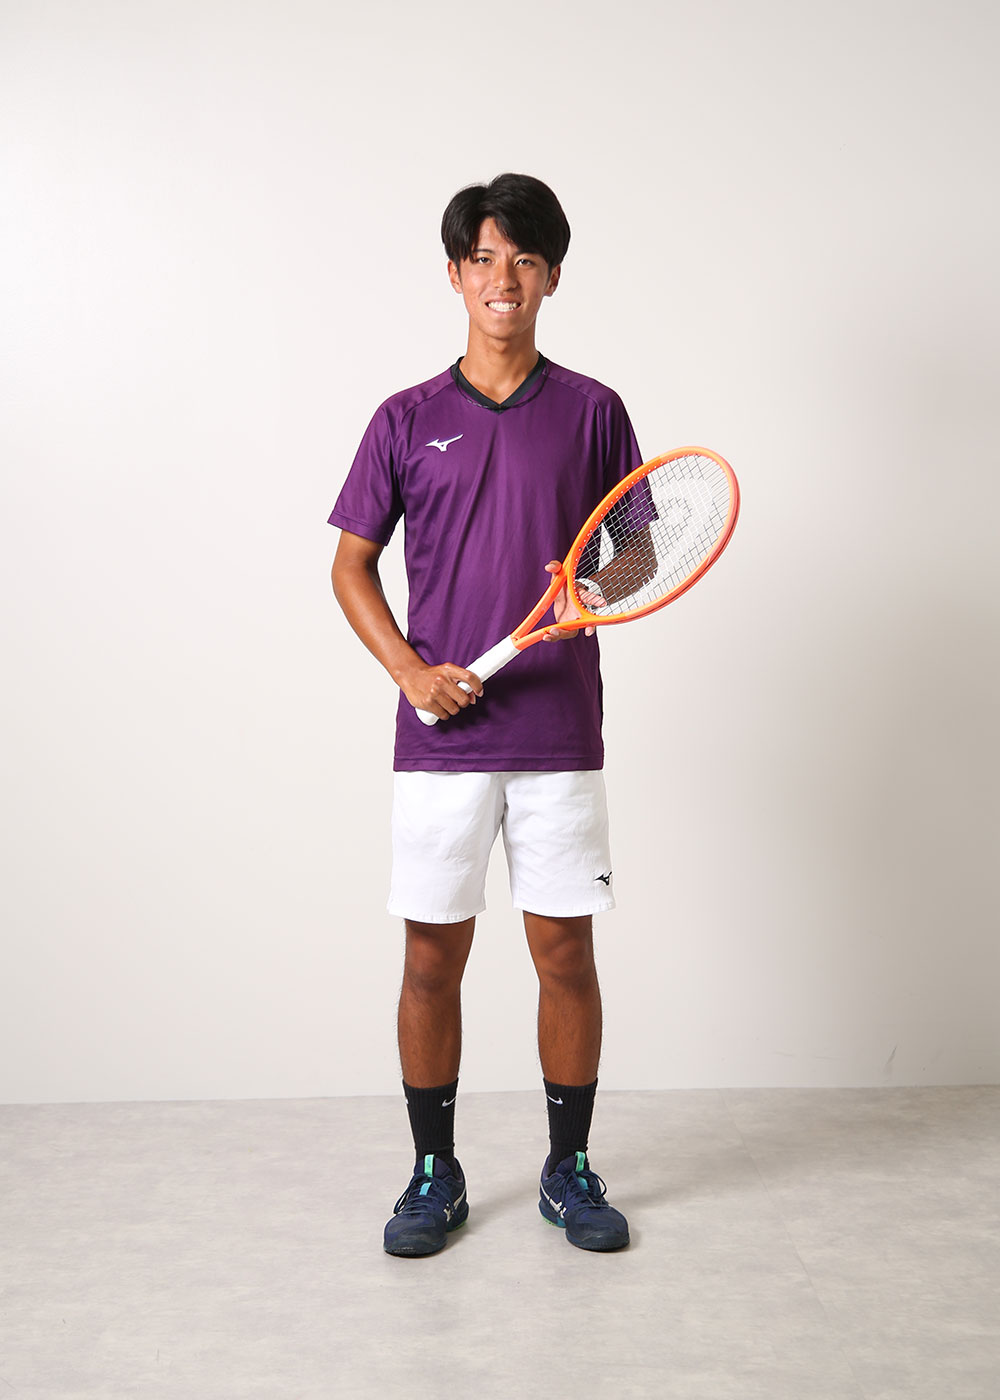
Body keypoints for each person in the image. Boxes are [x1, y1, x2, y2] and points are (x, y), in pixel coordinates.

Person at [329, 173, 639, 1256]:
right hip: (443, 743)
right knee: (430, 959)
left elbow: (636, 556)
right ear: (456, 275)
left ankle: (568, 1169)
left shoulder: (594, 410)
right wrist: (411, 672)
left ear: (552, 277)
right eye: (484, 258)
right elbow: (351, 567)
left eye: (525, 259)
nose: (503, 278)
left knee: (564, 954)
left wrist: (589, 586)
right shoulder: (405, 418)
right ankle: (433, 1171)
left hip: (558, 733)